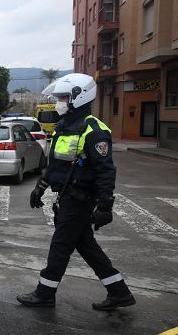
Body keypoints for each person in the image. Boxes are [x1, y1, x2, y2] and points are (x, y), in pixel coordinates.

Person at [18, 73, 136, 311]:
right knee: (87, 247)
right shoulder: (63, 128)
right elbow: (55, 164)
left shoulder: (95, 131)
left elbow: (105, 172)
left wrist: (105, 206)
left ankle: (45, 293)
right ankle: (119, 292)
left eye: (63, 97)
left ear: (78, 97)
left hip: (80, 199)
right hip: (66, 196)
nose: (59, 101)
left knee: (60, 245)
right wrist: (40, 187)